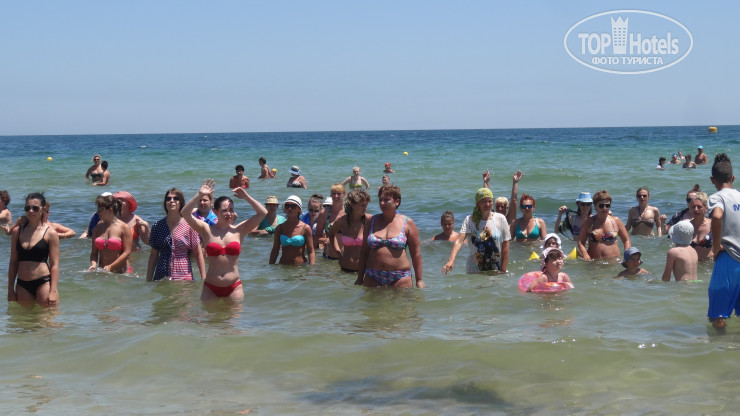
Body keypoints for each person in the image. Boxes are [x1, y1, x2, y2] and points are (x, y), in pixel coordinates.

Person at [181, 179, 267, 302]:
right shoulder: (206, 229)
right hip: (210, 287)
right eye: (225, 210)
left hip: (234, 287)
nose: (229, 213)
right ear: (215, 212)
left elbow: (262, 213)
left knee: (233, 315)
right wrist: (199, 195)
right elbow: (185, 213)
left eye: (231, 210)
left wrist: (246, 196)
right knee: (208, 315)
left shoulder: (239, 230)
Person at [357, 185, 424, 288]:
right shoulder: (372, 221)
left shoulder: (407, 223)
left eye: (386, 200)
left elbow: (416, 254)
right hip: (373, 275)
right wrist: (360, 277)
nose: (382, 203)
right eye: (380, 200)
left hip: (400, 276)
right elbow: (364, 252)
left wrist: (419, 280)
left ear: (396, 202)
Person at [7, 193, 59, 307]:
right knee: (24, 318)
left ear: (43, 209)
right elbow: (13, 262)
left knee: (47, 317)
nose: (31, 211)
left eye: (35, 208)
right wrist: (10, 289)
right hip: (22, 284)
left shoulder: (51, 233)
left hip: (43, 282)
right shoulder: (17, 232)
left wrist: (53, 291)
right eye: (27, 208)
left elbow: (54, 265)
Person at [707, 154, 740, 331]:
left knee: (718, 316)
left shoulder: (717, 198)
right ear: (733, 178)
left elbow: (717, 216)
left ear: (713, 180)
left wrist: (716, 246)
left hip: (728, 259)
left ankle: (720, 345)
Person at [442, 188, 510, 274]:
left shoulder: (500, 219)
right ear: (477, 203)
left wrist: (503, 269)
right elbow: (459, 241)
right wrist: (451, 260)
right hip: (474, 271)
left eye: (490, 201)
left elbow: (505, 245)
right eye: (483, 201)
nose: (487, 204)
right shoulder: (470, 220)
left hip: (496, 270)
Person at [146, 188, 206, 281]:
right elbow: (154, 255)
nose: (171, 201)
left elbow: (198, 253)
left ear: (181, 202)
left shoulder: (189, 225)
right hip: (161, 277)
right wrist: (148, 279)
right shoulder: (157, 226)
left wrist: (203, 278)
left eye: (176, 198)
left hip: (184, 276)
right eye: (168, 199)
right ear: (165, 203)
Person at [578, 190, 631, 261]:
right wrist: (585, 254)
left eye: (607, 205)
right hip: (594, 262)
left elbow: (626, 240)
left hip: (614, 261)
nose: (605, 208)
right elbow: (581, 242)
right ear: (595, 206)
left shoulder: (616, 221)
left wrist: (627, 254)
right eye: (601, 206)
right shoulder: (588, 221)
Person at [328, 189, 371, 272]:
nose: (365, 208)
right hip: (345, 268)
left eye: (366, 205)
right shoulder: (342, 221)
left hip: (364, 270)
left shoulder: (369, 220)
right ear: (352, 205)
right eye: (362, 205)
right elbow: (331, 235)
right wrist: (338, 254)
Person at [89, 194, 133, 273]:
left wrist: (111, 266)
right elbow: (94, 254)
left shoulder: (124, 228)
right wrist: (93, 265)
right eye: (98, 209)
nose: (98, 212)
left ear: (110, 210)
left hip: (123, 272)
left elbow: (127, 253)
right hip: (103, 270)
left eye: (100, 209)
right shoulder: (97, 229)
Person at [270, 196, 315, 265]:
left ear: (299, 209)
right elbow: (275, 250)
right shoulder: (280, 228)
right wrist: (270, 267)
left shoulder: (305, 228)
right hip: (283, 267)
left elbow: (311, 251)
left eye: (293, 206)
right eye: (287, 206)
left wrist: (312, 268)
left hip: (300, 268)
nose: (289, 208)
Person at [5, 203, 76, 238]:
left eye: (43, 213)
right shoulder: (24, 220)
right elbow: (10, 232)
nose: (41, 215)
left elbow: (72, 232)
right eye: (39, 212)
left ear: (48, 213)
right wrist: (7, 230)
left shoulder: (52, 226)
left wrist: (60, 235)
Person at [315, 184, 346, 259]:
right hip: (328, 258)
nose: (336, 196)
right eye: (333, 193)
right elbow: (316, 237)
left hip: (345, 257)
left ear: (344, 195)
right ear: (330, 195)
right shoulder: (324, 213)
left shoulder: (349, 212)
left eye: (339, 193)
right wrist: (324, 240)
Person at [688, 192, 713, 260]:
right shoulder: (687, 226)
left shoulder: (712, 224)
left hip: (709, 263)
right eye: (693, 207)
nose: (696, 209)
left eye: (699, 207)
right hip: (692, 263)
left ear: (706, 208)